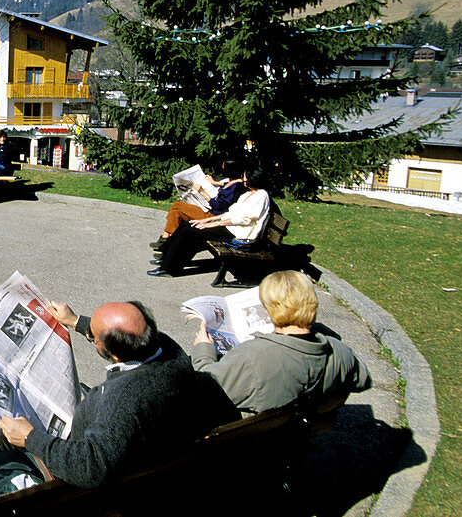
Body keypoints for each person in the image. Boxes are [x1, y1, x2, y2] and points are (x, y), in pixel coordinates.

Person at [0, 301, 218, 489]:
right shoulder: (166, 348)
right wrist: (76, 322)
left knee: (5, 439)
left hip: (91, 473)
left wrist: (30, 438)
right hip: (163, 447)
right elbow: (123, 335)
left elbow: (90, 467)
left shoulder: (123, 400)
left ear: (111, 353)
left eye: (96, 338)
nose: (93, 338)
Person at [192, 270, 372, 415]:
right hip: (303, 426)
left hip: (252, 438)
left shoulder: (252, 357)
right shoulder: (341, 351)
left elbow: (205, 387)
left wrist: (204, 352)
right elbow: (363, 381)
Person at [148, 165, 271, 278]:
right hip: (231, 228)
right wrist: (209, 219)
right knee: (188, 225)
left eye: (245, 177)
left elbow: (244, 219)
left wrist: (215, 224)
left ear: (252, 179)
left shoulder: (261, 196)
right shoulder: (248, 194)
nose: (243, 179)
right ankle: (166, 258)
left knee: (190, 231)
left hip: (239, 235)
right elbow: (232, 213)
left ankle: (168, 268)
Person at [150, 160, 245, 250]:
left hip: (214, 215)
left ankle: (168, 243)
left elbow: (218, 206)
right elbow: (227, 184)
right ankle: (166, 239)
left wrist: (202, 192)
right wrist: (215, 183)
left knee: (178, 209)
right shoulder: (233, 182)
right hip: (211, 211)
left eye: (224, 167)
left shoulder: (236, 187)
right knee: (177, 208)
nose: (222, 169)